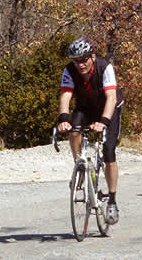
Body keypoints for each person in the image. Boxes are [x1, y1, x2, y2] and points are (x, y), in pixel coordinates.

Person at [57, 37, 124, 225]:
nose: (80, 64)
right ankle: (79, 166)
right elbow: (66, 95)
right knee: (74, 131)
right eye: (75, 60)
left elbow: (111, 97)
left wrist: (103, 122)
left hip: (109, 108)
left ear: (92, 56)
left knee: (109, 152)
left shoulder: (105, 67)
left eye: (83, 59)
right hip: (85, 107)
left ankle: (111, 199)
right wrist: (63, 118)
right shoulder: (69, 70)